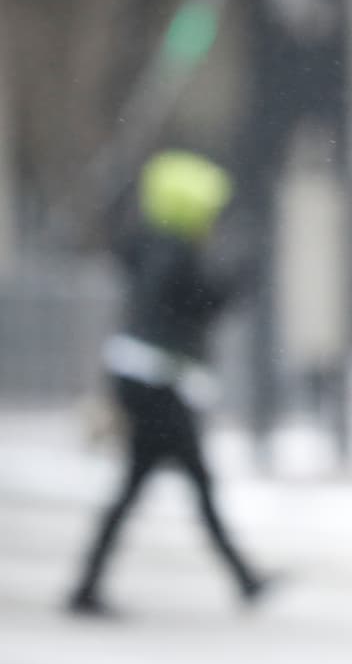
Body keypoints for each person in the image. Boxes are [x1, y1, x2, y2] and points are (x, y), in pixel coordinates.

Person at [67, 150, 271, 617]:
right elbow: (197, 302)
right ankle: (244, 578)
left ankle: (88, 585)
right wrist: (239, 278)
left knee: (143, 485)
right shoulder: (172, 249)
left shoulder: (149, 242)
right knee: (195, 481)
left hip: (144, 378)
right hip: (157, 380)